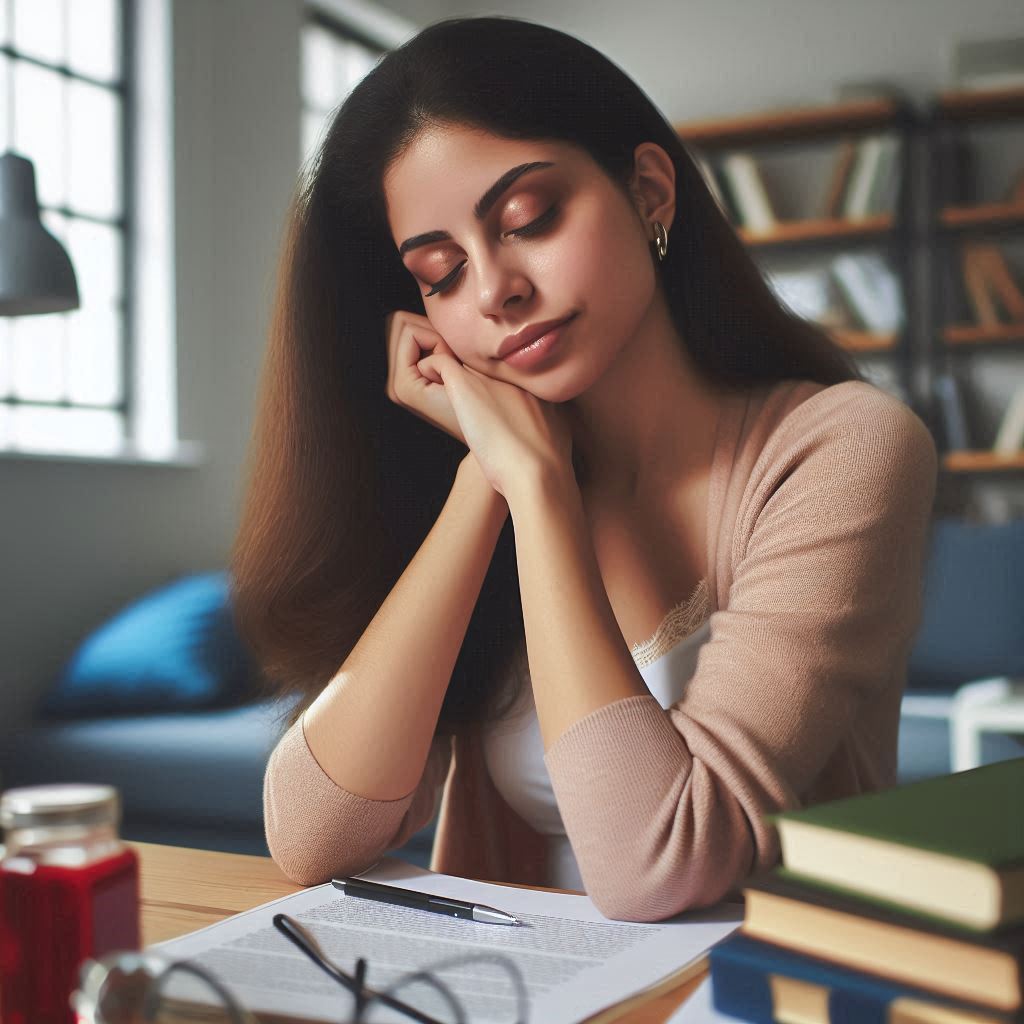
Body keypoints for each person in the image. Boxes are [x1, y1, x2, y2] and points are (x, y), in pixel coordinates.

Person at [231, 16, 938, 922]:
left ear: (648, 190)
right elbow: (307, 834)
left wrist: (538, 492)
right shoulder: (500, 474)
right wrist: (486, 480)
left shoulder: (843, 448)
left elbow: (663, 863)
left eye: (529, 220)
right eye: (442, 273)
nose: (493, 291)